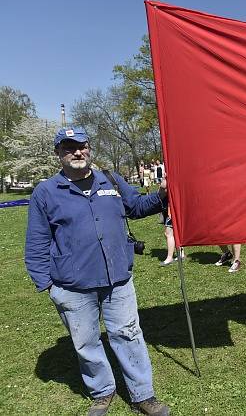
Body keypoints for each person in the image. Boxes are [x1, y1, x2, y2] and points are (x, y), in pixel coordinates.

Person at [24, 127, 171, 416]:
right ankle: (103, 391)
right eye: (69, 148)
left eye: (82, 146)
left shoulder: (111, 179)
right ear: (58, 154)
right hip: (72, 287)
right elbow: (36, 241)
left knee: (128, 334)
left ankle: (143, 395)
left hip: (118, 279)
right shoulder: (46, 191)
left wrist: (162, 194)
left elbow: (138, 207)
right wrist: (48, 286)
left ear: (89, 148)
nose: (77, 152)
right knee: (86, 342)